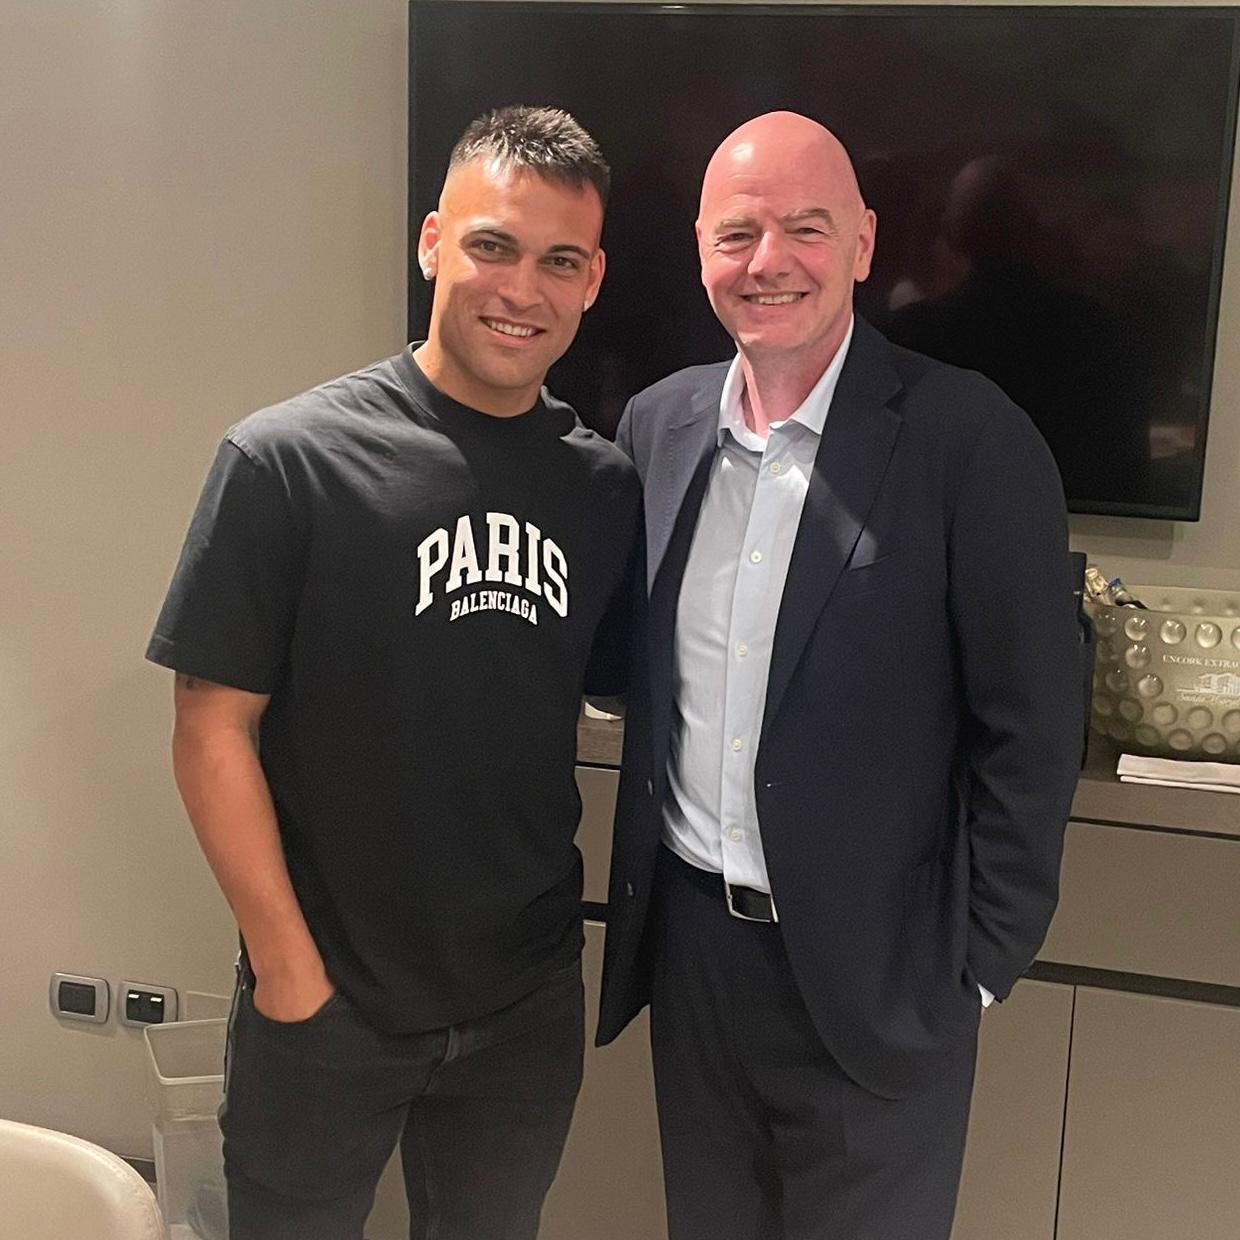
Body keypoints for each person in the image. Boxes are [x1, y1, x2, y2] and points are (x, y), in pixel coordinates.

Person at [146, 105, 639, 1240]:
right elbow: (209, 729)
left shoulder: (603, 489)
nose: (523, 289)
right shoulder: (287, 460)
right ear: (431, 242)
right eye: (492, 246)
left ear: (593, 279)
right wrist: (287, 970)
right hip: (329, 1000)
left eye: (560, 260)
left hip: (522, 1003)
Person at [597, 110, 1083, 1240]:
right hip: (695, 961)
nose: (768, 261)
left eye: (805, 229)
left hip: (885, 977)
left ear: (863, 243)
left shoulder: (972, 440)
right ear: (701, 251)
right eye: (737, 233)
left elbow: (1032, 725)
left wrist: (978, 965)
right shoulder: (655, 428)